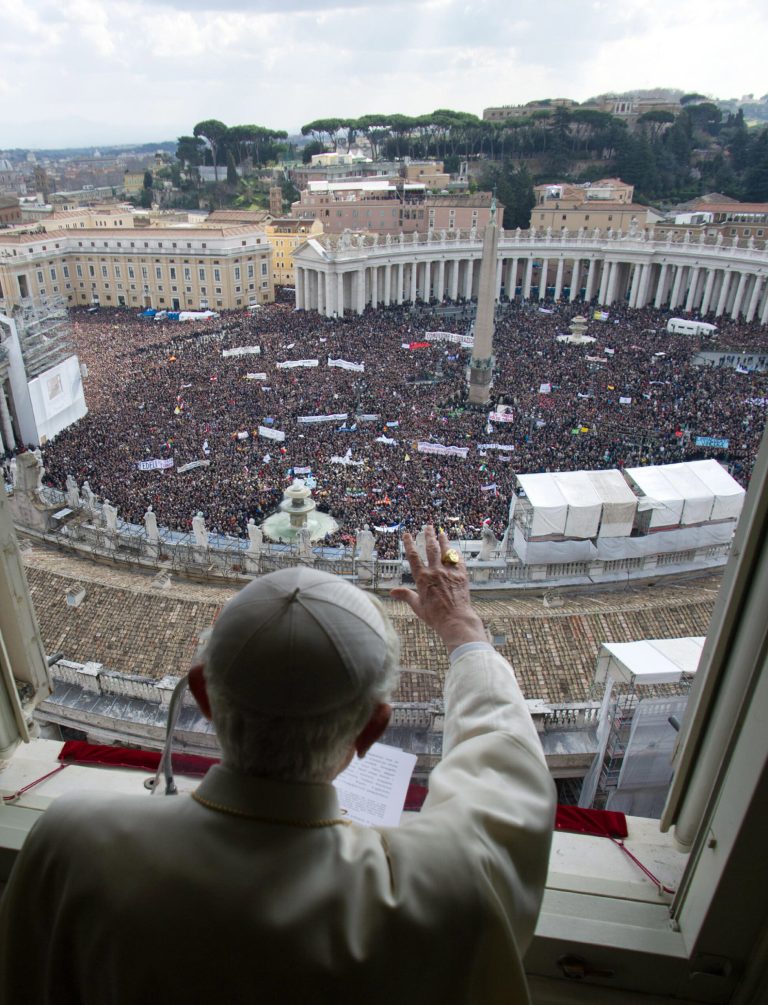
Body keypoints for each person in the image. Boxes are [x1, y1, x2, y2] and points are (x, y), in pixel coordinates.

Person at [0, 527, 555, 1004]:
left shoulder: (71, 846)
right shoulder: (442, 892)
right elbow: (504, 772)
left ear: (204, 696)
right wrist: (463, 631)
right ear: (371, 730)